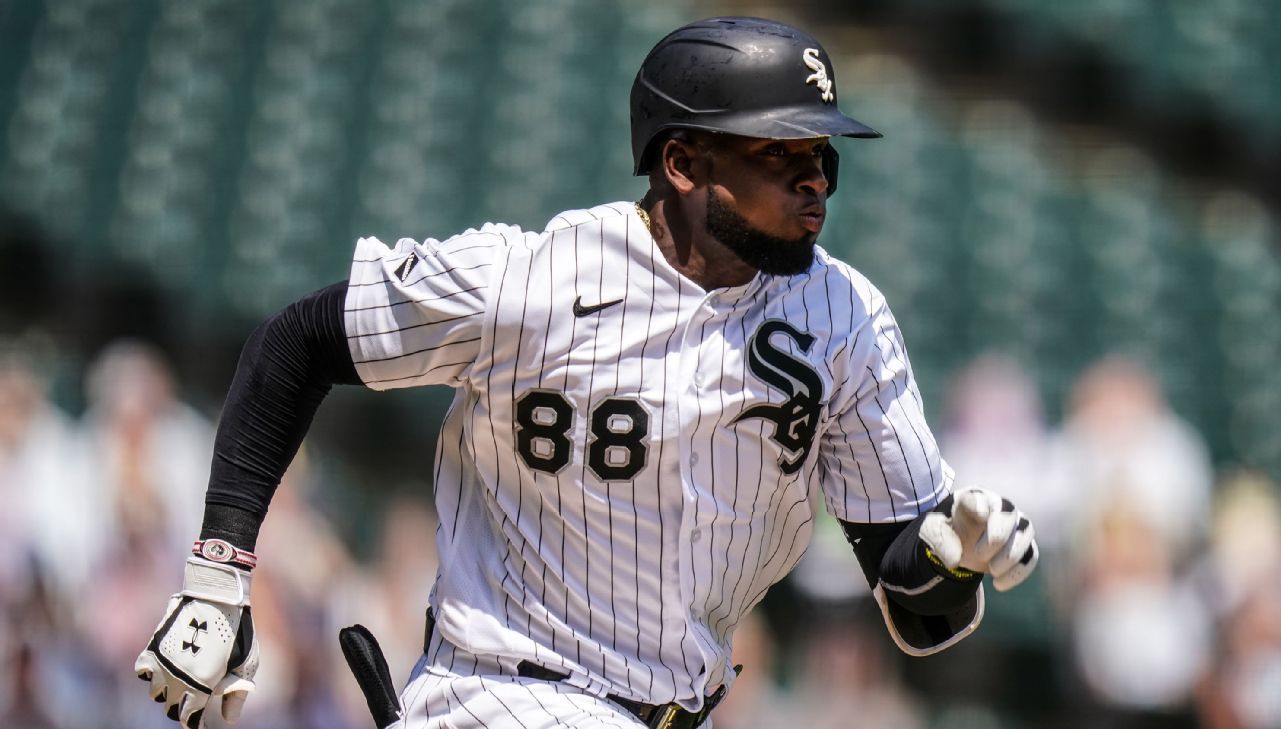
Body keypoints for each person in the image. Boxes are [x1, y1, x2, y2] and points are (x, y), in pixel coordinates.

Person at [134, 16, 1039, 729]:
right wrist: (219, 574)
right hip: (501, 696)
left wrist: (951, 558)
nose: (816, 183)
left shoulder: (844, 319)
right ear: (683, 162)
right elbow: (298, 340)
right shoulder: (531, 282)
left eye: (822, 157)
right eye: (779, 154)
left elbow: (920, 612)